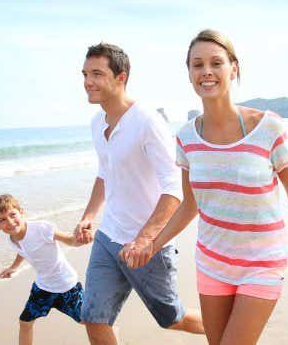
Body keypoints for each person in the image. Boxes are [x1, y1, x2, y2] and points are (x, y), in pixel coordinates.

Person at [129, 29, 288, 345]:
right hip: (212, 262)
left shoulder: (267, 126)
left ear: (233, 68)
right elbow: (190, 206)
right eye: (197, 64)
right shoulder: (186, 138)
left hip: (262, 263)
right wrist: (152, 243)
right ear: (189, 73)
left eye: (216, 63)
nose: (206, 72)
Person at [74, 42, 204, 344]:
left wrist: (145, 239)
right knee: (93, 317)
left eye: (97, 74)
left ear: (121, 78)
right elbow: (105, 173)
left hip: (149, 244)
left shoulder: (147, 122)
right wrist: (90, 217)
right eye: (84, 74)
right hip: (108, 237)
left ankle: (231, 335)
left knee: (173, 319)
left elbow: (175, 188)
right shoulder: (97, 123)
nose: (87, 82)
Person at [0, 194, 87, 345]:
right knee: (25, 323)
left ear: (21, 211)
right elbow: (23, 251)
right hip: (43, 288)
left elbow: (69, 240)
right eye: (2, 220)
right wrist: (13, 267)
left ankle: (111, 335)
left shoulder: (41, 228)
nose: (10, 222)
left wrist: (79, 240)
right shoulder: (12, 239)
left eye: (13, 215)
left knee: (88, 322)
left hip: (67, 286)